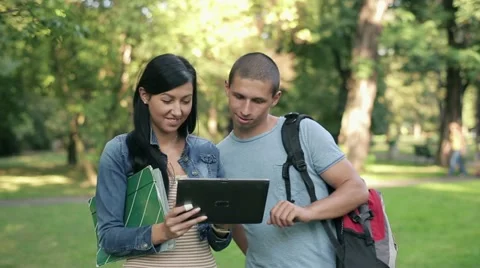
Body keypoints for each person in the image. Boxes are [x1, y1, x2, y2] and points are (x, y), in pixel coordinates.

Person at [217, 52, 369, 268]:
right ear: (227, 88)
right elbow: (234, 224)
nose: (245, 109)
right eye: (239, 97)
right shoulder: (218, 156)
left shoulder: (303, 132)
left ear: (275, 98)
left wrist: (306, 212)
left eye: (258, 101)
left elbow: (356, 189)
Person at [95, 53, 232, 268]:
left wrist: (223, 223)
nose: (177, 111)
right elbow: (108, 239)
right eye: (167, 100)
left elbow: (217, 243)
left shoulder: (206, 152)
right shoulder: (120, 151)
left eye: (186, 101)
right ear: (145, 95)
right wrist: (162, 232)